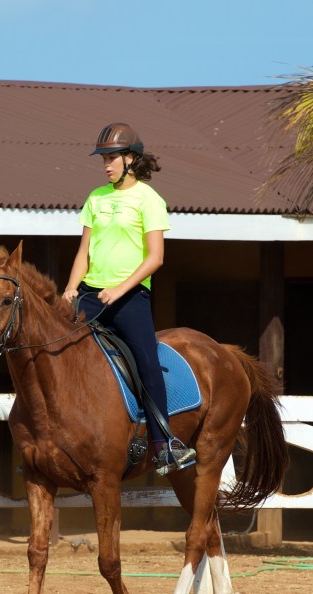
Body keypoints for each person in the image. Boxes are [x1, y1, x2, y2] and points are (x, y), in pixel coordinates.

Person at [63, 122, 197, 475]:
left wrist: (119, 290)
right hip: (91, 295)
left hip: (130, 298)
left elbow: (156, 258)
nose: (105, 164)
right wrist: (70, 288)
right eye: (103, 158)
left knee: (147, 363)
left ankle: (164, 444)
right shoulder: (96, 197)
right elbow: (83, 253)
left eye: (111, 157)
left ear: (131, 159)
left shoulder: (149, 200)